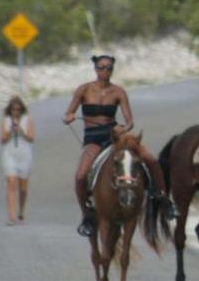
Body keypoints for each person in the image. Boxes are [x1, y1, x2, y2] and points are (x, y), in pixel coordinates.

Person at [63, 54, 177, 236]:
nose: (105, 71)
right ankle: (87, 215)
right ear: (95, 68)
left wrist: (122, 128)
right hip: (93, 138)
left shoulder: (118, 92)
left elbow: (129, 121)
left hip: (115, 135)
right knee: (80, 175)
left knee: (151, 159)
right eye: (101, 67)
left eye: (109, 68)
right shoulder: (83, 90)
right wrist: (68, 117)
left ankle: (164, 199)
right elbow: (69, 112)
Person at [0, 96, 35, 225]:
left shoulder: (28, 119)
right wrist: (10, 130)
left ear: (22, 110)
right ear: (10, 110)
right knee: (11, 183)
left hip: (25, 155)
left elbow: (31, 138)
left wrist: (21, 131)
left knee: (23, 187)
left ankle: (21, 211)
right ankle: (11, 216)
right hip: (9, 155)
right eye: (14, 109)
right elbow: (2, 140)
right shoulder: (6, 120)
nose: (16, 111)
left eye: (18, 109)